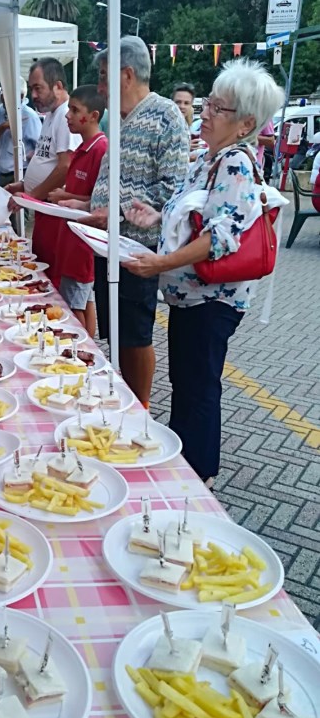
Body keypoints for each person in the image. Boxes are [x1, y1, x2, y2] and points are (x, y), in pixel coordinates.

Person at [123, 59, 285, 486]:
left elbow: (220, 239)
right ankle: (185, 461)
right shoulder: (209, 158)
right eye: (208, 103)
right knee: (187, 380)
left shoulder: (235, 163)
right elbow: (192, 218)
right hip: (191, 297)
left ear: (246, 123)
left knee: (199, 386)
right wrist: (155, 217)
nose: (206, 113)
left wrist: (159, 263)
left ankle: (198, 476)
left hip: (212, 299)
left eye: (218, 108)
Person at [78, 36, 189, 407]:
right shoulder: (120, 120)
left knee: (135, 334)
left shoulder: (165, 117)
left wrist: (117, 211)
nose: (100, 87)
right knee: (116, 330)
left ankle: (140, 407)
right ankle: (122, 397)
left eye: (104, 76)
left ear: (126, 75)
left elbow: (172, 188)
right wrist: (86, 204)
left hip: (137, 248)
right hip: (106, 244)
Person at [6, 58, 80, 266]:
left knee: (50, 271)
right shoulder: (51, 115)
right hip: (44, 208)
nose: (33, 95)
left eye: (38, 88)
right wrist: (24, 185)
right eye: (32, 89)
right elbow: (47, 160)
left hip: (55, 211)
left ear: (58, 86)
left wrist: (30, 196)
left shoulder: (66, 116)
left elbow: (65, 167)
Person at [47, 86, 107, 338]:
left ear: (93, 116)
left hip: (82, 242)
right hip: (72, 239)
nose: (67, 115)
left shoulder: (100, 150)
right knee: (82, 300)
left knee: (74, 306)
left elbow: (99, 202)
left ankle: (80, 348)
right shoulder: (84, 149)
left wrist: (65, 197)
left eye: (75, 110)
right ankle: (86, 345)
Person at [0, 79, 41, 187]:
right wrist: (3, 126)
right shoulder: (0, 111)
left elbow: (40, 149)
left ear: (21, 96)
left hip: (19, 175)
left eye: (7, 94)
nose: (3, 97)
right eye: (2, 93)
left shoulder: (29, 116)